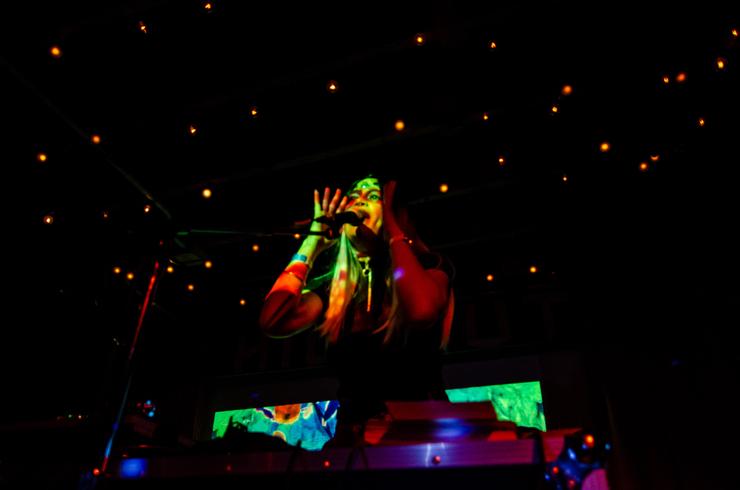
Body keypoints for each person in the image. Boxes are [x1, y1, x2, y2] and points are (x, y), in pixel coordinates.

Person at [258, 174, 455, 446]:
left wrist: (393, 229)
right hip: (355, 443)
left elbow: (422, 310)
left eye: (372, 196)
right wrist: (312, 243)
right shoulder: (331, 291)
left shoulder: (429, 266)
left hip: (422, 439)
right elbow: (272, 321)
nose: (360, 200)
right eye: (354, 196)